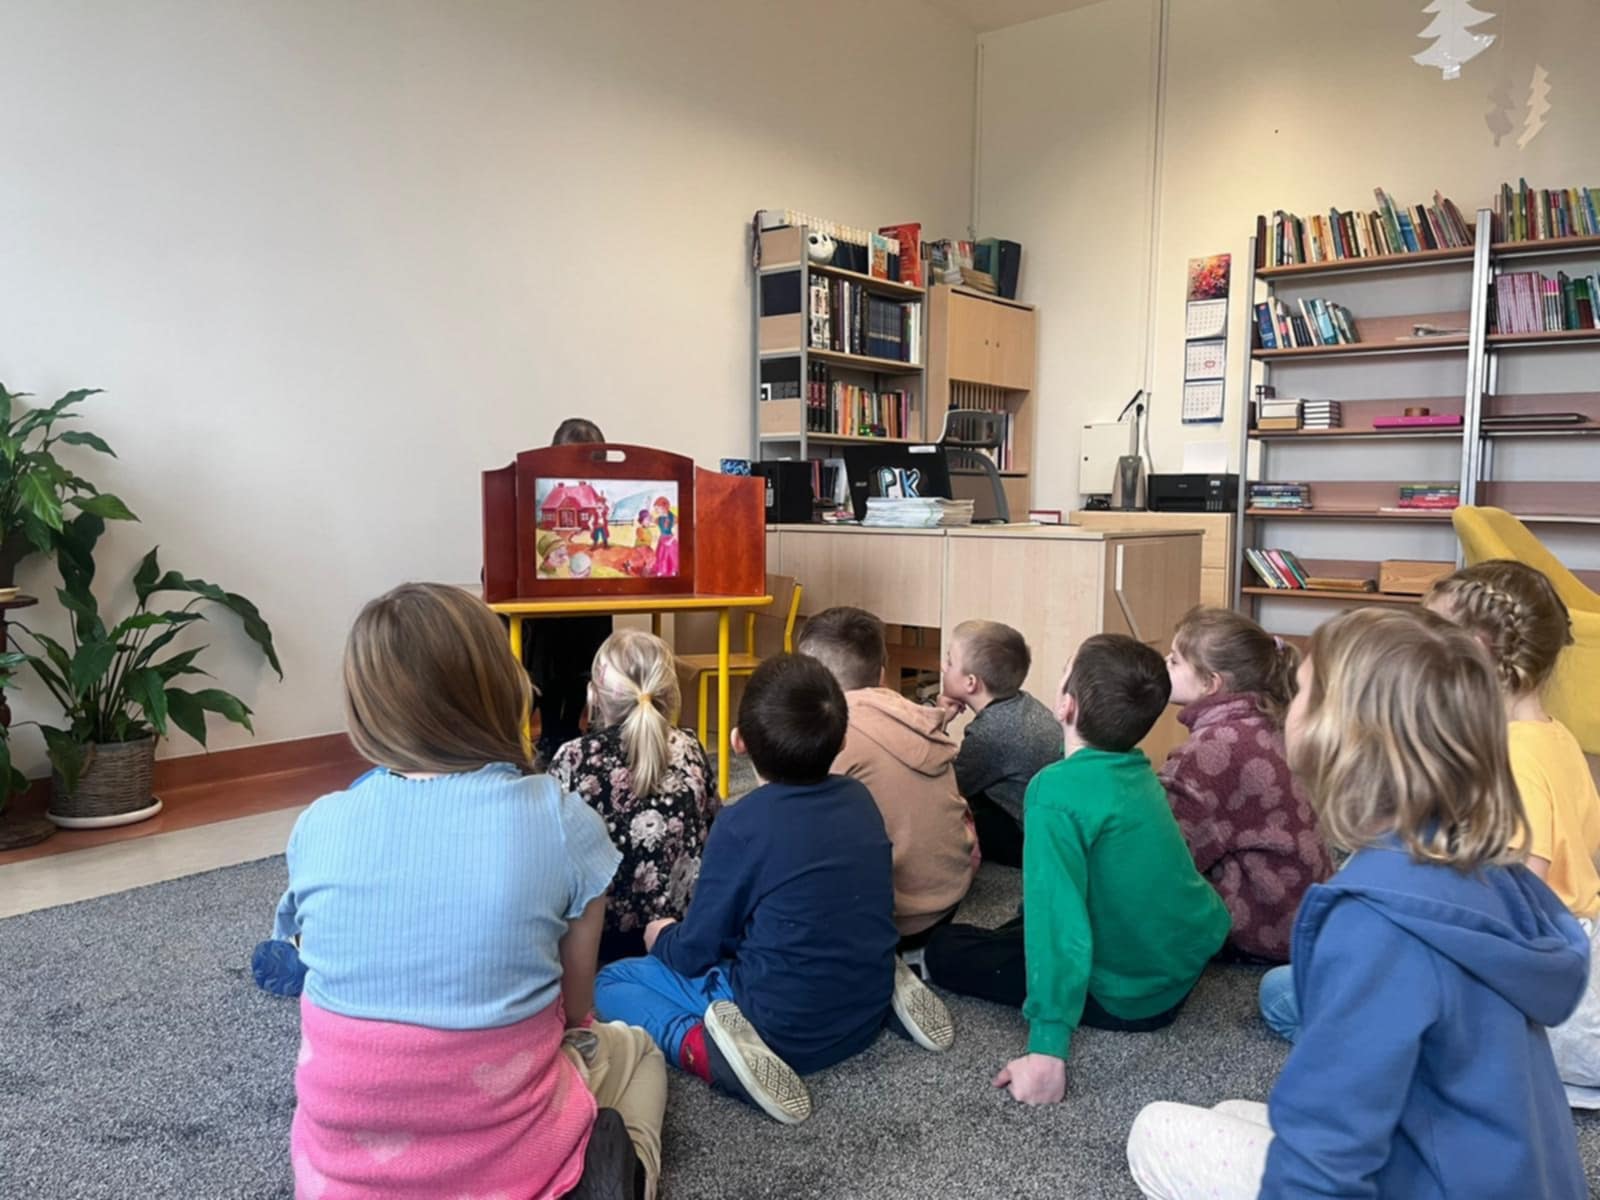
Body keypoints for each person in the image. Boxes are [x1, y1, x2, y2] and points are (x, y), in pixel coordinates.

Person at [1127, 607, 1588, 1200]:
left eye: (1301, 692)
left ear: (1342, 734)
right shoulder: (1482, 861)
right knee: (1230, 1111)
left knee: (1154, 1130)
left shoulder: (1373, 917)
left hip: (1433, 1184)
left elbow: (1326, 1162)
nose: (1285, 703)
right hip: (1513, 1177)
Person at [270, 582, 665, 1200]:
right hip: (514, 1166)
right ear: (504, 687)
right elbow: (575, 1007)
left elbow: (301, 953)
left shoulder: (318, 825)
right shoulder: (561, 820)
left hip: (337, 1180)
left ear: (363, 707)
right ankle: (622, 1169)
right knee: (639, 1052)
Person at [593, 654, 954, 1125]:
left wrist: (661, 937)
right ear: (842, 739)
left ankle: (706, 1049)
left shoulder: (741, 825)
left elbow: (695, 952)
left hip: (781, 1029)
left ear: (738, 742)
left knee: (612, 982)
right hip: (861, 1008)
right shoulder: (859, 797)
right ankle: (882, 982)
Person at [925, 634, 1230, 1106]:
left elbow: (1057, 920)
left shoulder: (1054, 791)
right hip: (1183, 953)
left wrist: (1047, 1049)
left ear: (1065, 705)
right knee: (1018, 926)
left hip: (1133, 996)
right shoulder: (1135, 766)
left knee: (946, 949)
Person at [1427, 559, 1600, 1104]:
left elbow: (1519, 911)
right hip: (1580, 964)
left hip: (1562, 1007)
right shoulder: (1556, 737)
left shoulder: (1513, 760)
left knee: (1296, 993)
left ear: (1477, 648)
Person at [1158, 607, 1331, 963]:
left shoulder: (1212, 748)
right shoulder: (1268, 717)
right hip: (1307, 908)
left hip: (1268, 923)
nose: (1164, 664)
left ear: (1211, 684)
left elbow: (1169, 852)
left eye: (1174, 661)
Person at [797, 606, 978, 943]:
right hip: (950, 893)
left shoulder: (831, 731)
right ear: (882, 674)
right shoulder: (914, 714)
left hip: (891, 917)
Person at [550, 630, 718, 964]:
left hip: (596, 945)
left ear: (594, 695)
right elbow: (712, 829)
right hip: (677, 938)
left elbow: (548, 854)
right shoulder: (690, 747)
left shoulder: (574, 758)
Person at [937, 619, 1063, 866]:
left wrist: (938, 722)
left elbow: (947, 786)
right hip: (1051, 827)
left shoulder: (989, 734)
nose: (942, 666)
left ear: (971, 683)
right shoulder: (1026, 704)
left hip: (1028, 844)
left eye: (949, 661)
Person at [528, 417, 612, 769]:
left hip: (591, 609)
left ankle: (570, 731)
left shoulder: (597, 493)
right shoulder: (534, 490)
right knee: (548, 672)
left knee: (586, 669)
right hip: (547, 615)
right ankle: (551, 733)